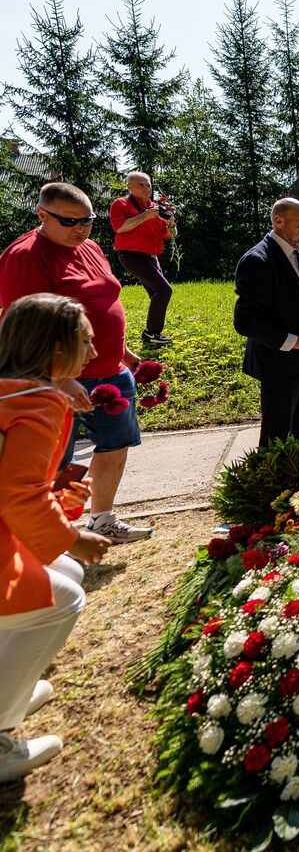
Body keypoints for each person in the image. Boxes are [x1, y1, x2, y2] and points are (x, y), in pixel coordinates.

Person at [0, 182, 152, 542]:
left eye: (87, 221)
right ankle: (48, 533)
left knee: (116, 444)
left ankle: (102, 519)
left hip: (110, 370)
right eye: (69, 222)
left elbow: (104, 302)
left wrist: (124, 352)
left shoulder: (91, 247)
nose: (80, 229)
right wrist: (58, 377)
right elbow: (23, 329)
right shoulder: (24, 256)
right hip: (59, 378)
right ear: (42, 215)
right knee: (57, 458)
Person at [0, 293, 112, 781]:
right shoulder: (40, 401)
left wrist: (58, 488)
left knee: (60, 574)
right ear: (55, 347)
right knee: (63, 594)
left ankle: (14, 687)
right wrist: (75, 537)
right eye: (84, 342)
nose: (92, 352)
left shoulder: (12, 390)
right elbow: (19, 496)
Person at [233, 198, 299, 449]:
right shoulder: (257, 261)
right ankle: (275, 487)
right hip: (278, 365)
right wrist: (297, 342)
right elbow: (246, 322)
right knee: (277, 439)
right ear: (279, 222)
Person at [109, 171, 176, 347]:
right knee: (164, 290)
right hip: (131, 255)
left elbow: (171, 235)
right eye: (141, 185)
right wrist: (145, 215)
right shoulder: (121, 203)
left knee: (157, 293)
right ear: (129, 187)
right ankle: (151, 333)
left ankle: (152, 334)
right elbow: (120, 227)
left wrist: (170, 224)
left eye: (148, 185)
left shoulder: (157, 208)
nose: (146, 188)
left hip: (152, 257)